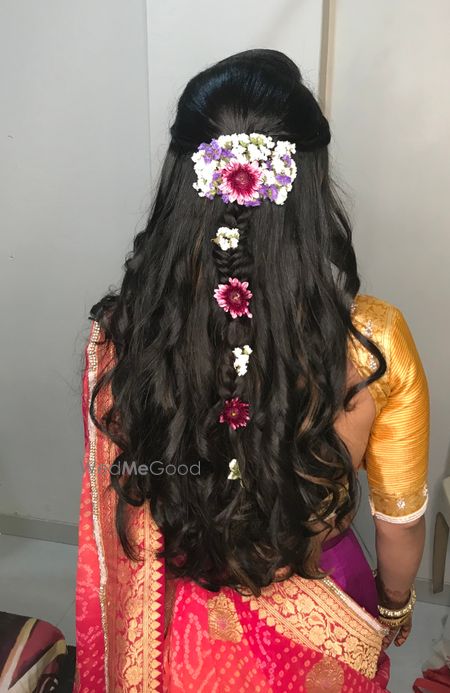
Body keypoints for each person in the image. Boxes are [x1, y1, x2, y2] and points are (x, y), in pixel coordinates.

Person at [74, 49, 429, 692]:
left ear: (183, 183)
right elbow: (398, 523)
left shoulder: (128, 332)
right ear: (310, 186)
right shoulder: (373, 340)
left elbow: (136, 486)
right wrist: (396, 604)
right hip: (324, 594)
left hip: (180, 600)